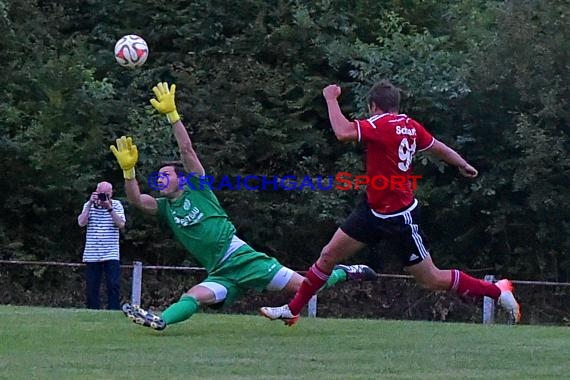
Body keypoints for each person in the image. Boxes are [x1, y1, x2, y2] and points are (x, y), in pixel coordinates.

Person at [110, 82, 377, 330]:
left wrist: (173, 116)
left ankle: (342, 272)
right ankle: (161, 321)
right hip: (222, 272)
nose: (160, 179)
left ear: (182, 179)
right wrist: (128, 171)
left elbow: (187, 150)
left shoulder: (198, 189)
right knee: (193, 296)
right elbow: (135, 200)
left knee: (305, 287)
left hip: (244, 260)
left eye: (166, 174)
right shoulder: (165, 207)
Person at [260, 80, 521, 325]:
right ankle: (293, 309)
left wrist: (330, 99)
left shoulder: (380, 124)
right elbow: (436, 146)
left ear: (373, 106)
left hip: (399, 218)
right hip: (373, 210)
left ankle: (497, 291)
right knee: (328, 255)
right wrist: (461, 163)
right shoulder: (409, 125)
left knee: (431, 279)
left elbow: (341, 132)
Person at [77, 181, 126, 310]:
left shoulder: (117, 205)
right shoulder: (88, 205)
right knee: (92, 286)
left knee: (113, 285)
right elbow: (81, 223)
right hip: (92, 253)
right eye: (101, 194)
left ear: (111, 194)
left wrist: (109, 208)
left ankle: (113, 310)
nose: (104, 197)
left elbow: (121, 224)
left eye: (107, 194)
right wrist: (89, 204)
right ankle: (93, 311)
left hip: (111, 252)